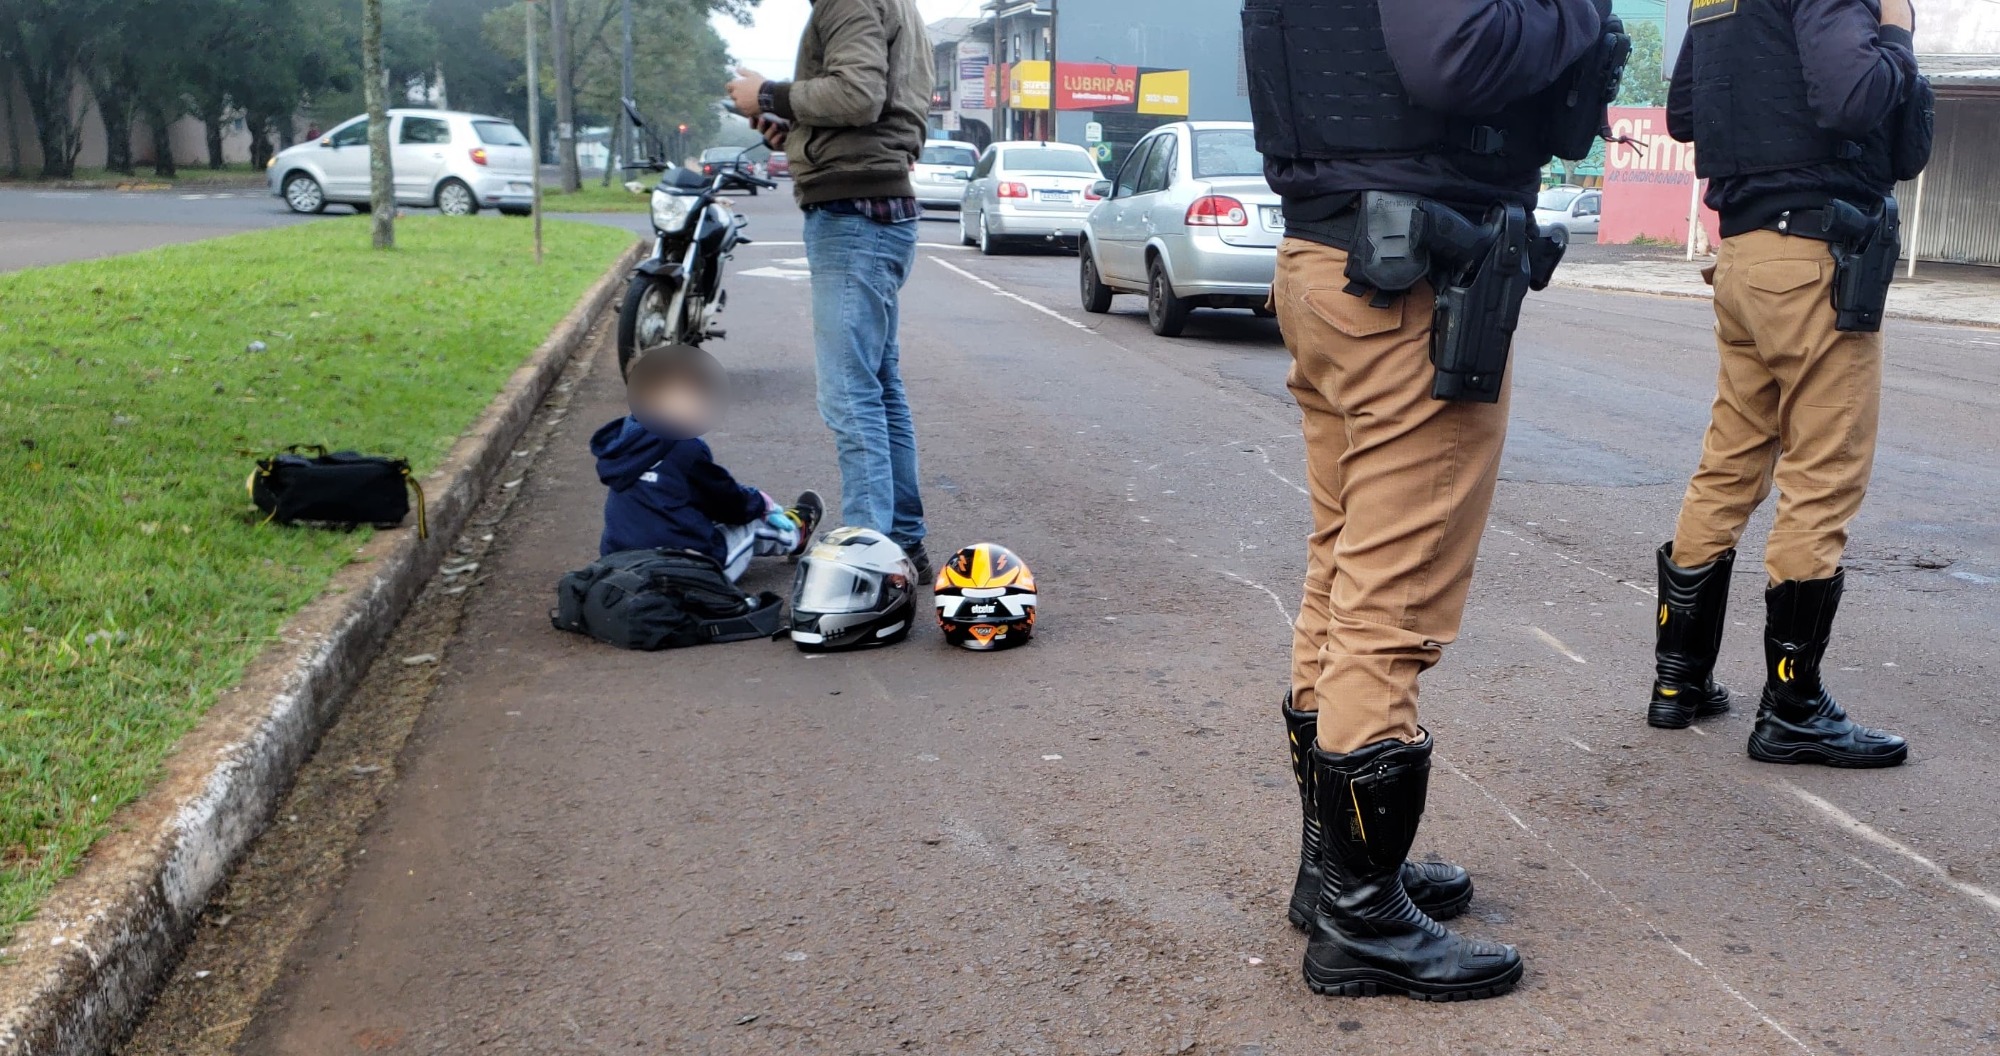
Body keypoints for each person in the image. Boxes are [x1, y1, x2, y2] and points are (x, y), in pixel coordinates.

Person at [1243, 0, 1614, 1000]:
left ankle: (1334, 875)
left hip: (1333, 260)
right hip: (1409, 285)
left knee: (1341, 563)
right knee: (1390, 599)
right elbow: (1451, 55)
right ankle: (1361, 926)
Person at [1646, 0, 1925, 770]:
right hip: (1813, 258)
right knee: (1822, 474)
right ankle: (1794, 708)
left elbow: (1683, 112)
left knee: (1730, 460)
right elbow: (1855, 97)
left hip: (1743, 258)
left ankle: (1679, 682)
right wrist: (1897, 28)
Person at [725, 0, 936, 582]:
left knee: (849, 396)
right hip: (879, 208)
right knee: (878, 388)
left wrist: (767, 94)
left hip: (853, 213)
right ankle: (900, 541)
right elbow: (873, 104)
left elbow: (857, 96)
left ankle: (869, 564)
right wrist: (792, 127)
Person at [592, 346, 822, 582]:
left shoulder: (621, 443)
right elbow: (729, 502)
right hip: (686, 569)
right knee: (752, 526)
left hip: (619, 564)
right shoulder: (684, 446)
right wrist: (760, 502)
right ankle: (797, 533)